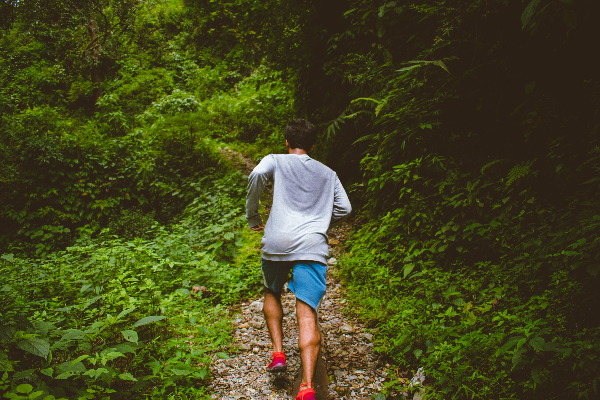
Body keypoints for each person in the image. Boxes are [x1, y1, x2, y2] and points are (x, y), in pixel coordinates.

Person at [246, 119, 352, 400]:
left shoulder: (275, 160)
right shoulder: (328, 173)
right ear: (313, 145)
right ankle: (306, 386)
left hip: (277, 242)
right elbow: (346, 207)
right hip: (312, 246)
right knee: (307, 314)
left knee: (271, 290)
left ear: (286, 142)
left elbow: (256, 175)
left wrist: (253, 216)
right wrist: (321, 222)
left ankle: (278, 353)